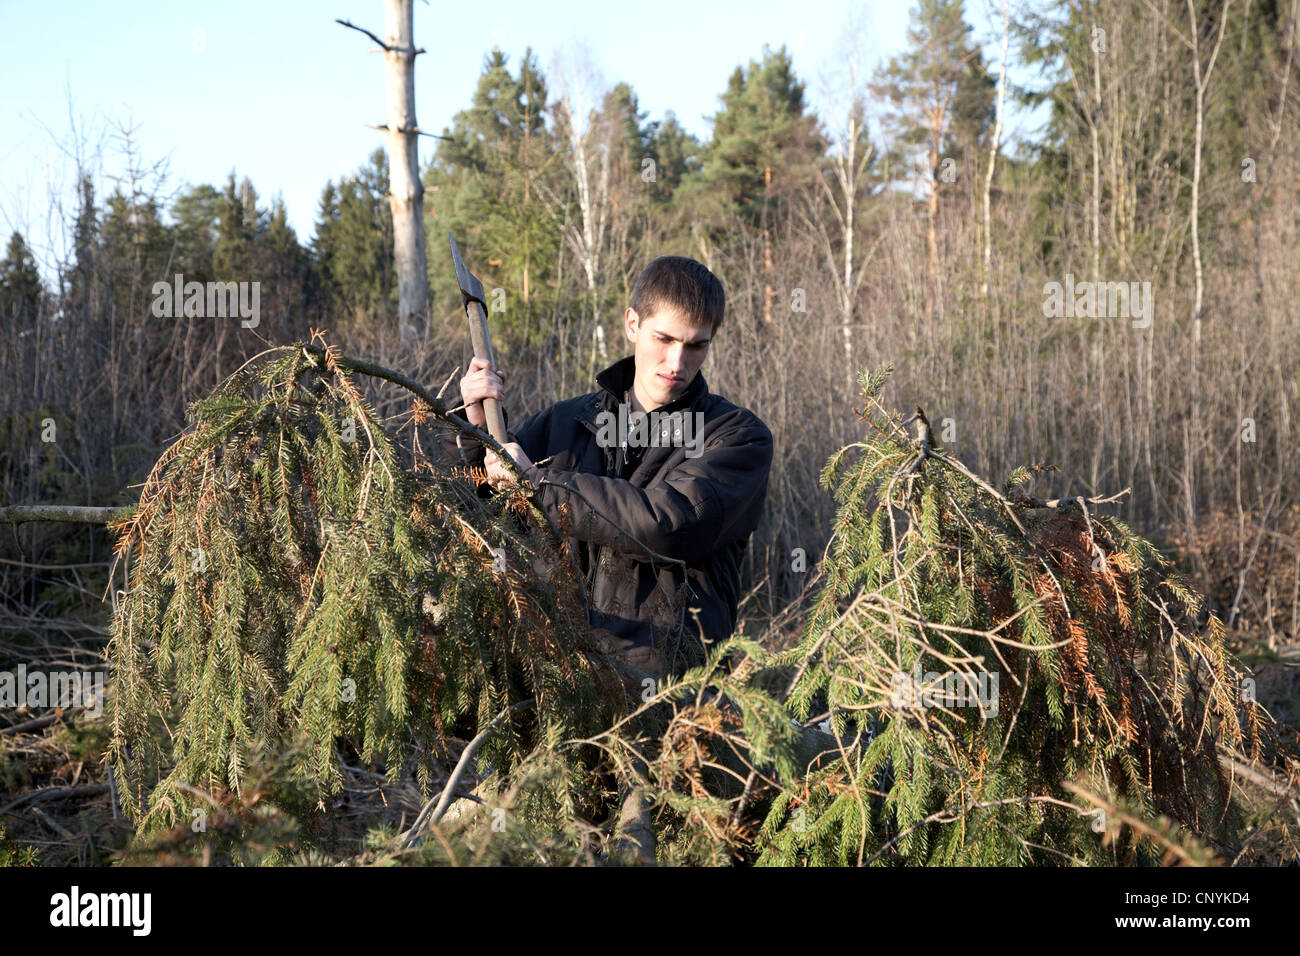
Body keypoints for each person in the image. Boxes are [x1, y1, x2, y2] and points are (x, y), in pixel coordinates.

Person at [441, 256, 772, 679]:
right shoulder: (565, 423)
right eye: (664, 338)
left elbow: (668, 522)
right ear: (633, 324)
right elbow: (475, 506)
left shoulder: (736, 436)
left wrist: (538, 484)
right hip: (557, 683)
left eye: (695, 345)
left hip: (670, 700)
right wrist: (473, 431)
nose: (677, 362)